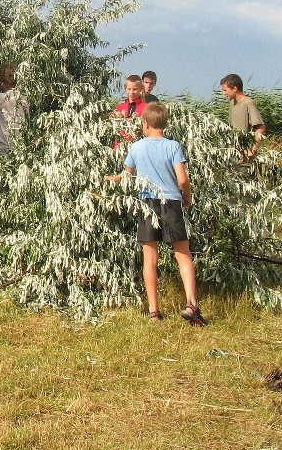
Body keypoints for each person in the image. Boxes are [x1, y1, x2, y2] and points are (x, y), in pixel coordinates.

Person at [107, 102, 206, 326]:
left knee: (150, 259)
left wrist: (108, 180)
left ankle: (154, 311)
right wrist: (187, 197)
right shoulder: (173, 146)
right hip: (171, 203)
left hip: (147, 204)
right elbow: (182, 179)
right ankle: (191, 305)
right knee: (183, 255)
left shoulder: (136, 147)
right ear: (164, 123)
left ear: (146, 122)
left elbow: (125, 176)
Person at [0, 64, 28, 155]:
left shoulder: (0, 98)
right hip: (21, 147)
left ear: (2, 81)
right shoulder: (25, 98)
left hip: (4, 147)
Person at [220, 73, 266, 153]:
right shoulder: (232, 103)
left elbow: (260, 127)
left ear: (234, 88)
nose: (223, 93)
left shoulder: (247, 102)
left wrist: (252, 150)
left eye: (225, 90)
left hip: (245, 153)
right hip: (233, 152)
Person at [113, 74, 147, 149]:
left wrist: (134, 134)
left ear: (141, 89)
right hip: (119, 147)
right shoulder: (119, 108)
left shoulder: (146, 107)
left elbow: (147, 128)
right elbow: (111, 126)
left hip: (138, 147)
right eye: (129, 89)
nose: (131, 92)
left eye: (135, 89)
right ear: (126, 89)